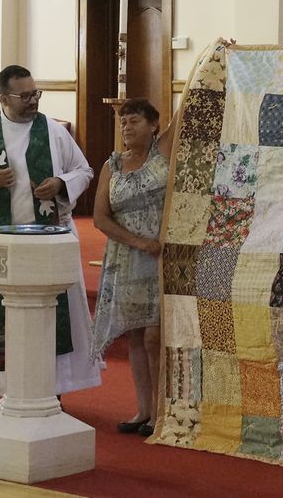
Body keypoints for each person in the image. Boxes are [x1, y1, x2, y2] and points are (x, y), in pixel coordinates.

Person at [0, 65, 100, 409]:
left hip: (49, 239)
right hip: (2, 243)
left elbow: (84, 170)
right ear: (3, 98)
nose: (33, 101)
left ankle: (51, 387)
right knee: (2, 316)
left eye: (36, 93)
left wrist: (61, 184)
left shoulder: (52, 130)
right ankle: (9, 390)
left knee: (52, 314)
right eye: (25, 95)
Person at [91, 98, 173, 437]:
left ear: (154, 125)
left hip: (160, 257)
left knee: (156, 336)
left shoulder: (163, 154)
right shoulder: (112, 164)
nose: (127, 127)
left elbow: (183, 113)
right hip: (127, 255)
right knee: (137, 336)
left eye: (135, 121)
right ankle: (142, 409)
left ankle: (161, 414)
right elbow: (99, 218)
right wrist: (137, 242)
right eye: (123, 122)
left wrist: (212, 57)